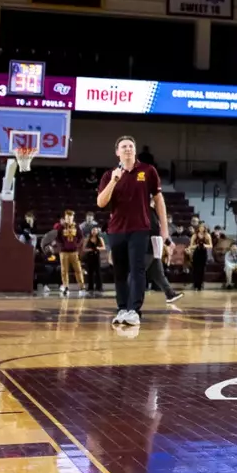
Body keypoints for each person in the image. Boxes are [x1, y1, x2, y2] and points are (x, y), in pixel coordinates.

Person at [95, 135, 171, 329]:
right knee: (119, 272)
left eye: (130, 146)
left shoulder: (148, 171)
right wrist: (113, 181)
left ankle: (134, 311)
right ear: (117, 152)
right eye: (123, 146)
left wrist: (164, 229)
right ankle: (122, 309)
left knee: (137, 270)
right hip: (116, 229)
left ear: (135, 150)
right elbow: (101, 203)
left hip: (140, 228)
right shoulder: (108, 175)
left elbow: (159, 200)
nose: (127, 149)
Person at [54, 210, 85, 296]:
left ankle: (82, 287)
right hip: (63, 252)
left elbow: (81, 237)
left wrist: (77, 245)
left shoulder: (77, 226)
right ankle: (65, 286)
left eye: (70, 217)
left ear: (73, 218)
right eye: (67, 217)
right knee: (64, 270)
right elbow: (57, 238)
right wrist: (61, 246)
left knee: (78, 269)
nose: (69, 219)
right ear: (65, 218)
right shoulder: (61, 227)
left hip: (74, 252)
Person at [189, 223, 214, 291]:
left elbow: (211, 245)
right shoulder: (195, 235)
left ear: (205, 228)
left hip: (203, 253)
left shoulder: (207, 235)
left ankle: (200, 285)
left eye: (203, 227)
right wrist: (196, 245)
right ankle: (195, 284)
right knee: (195, 270)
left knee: (202, 270)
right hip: (196, 253)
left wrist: (205, 245)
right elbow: (191, 246)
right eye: (200, 227)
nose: (201, 228)